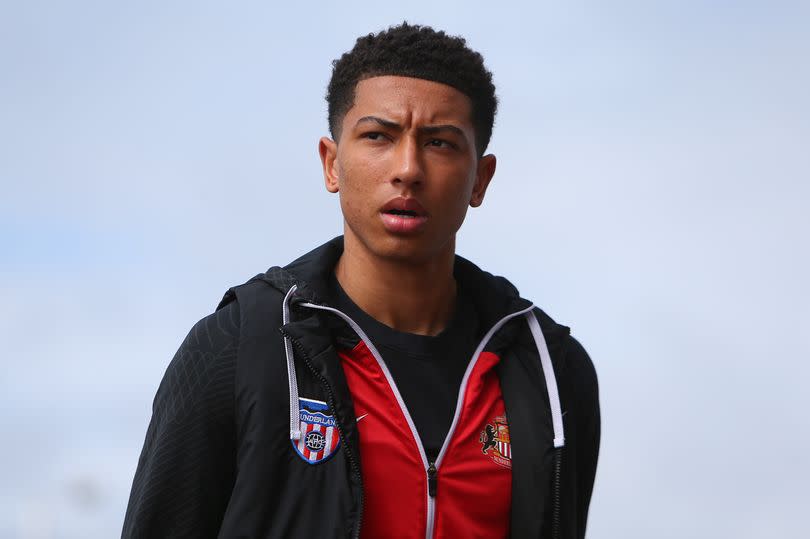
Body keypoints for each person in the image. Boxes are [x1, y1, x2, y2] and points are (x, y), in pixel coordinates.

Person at [122, 22, 600, 539]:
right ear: (332, 164)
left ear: (479, 180)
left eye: (440, 143)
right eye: (378, 136)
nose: (408, 169)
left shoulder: (551, 370)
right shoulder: (235, 348)